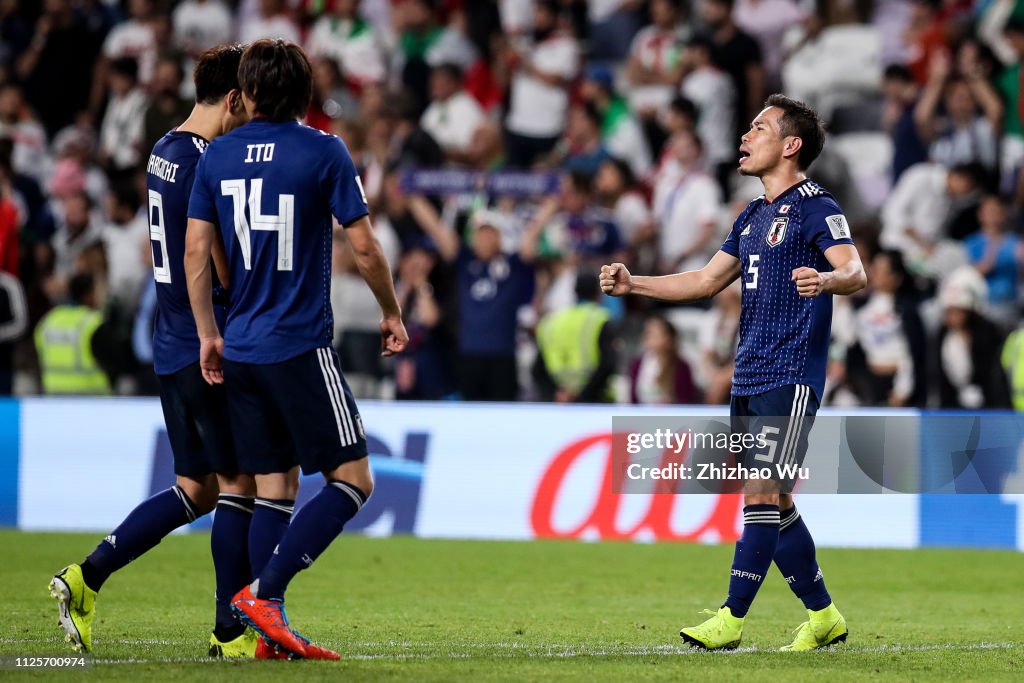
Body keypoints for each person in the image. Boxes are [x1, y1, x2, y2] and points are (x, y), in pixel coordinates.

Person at [600, 94, 866, 650]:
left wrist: (826, 282)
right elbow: (702, 281)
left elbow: (854, 270)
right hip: (749, 376)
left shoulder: (818, 205)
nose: (745, 137)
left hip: (791, 376)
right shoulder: (751, 215)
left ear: (790, 145)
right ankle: (824, 618)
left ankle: (731, 619)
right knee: (778, 499)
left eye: (759, 128)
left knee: (762, 492)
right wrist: (636, 285)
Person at [184, 39, 408, 660]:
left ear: (247, 93)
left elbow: (197, 254)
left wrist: (209, 332)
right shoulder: (324, 150)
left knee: (274, 488)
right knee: (354, 480)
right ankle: (266, 595)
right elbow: (363, 246)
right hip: (299, 345)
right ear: (305, 94)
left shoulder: (217, 156)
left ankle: (267, 637)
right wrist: (391, 310)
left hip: (243, 349)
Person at [47, 45, 262, 658]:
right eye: (247, 98)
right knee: (240, 483)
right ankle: (230, 633)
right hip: (204, 338)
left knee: (196, 488)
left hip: (170, 341)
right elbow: (208, 251)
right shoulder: (210, 159)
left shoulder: (164, 149)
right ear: (232, 98)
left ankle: (87, 576)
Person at [534, 272, 617, 404]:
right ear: (599, 294)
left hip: (559, 403)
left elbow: (537, 369)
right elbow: (608, 364)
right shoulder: (600, 319)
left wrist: (557, 394)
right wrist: (581, 396)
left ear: (574, 291)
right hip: (595, 402)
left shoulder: (550, 322)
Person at [628, 314, 697, 404]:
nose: (648, 338)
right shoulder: (637, 364)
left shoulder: (681, 367)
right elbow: (633, 400)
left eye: (654, 334)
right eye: (647, 333)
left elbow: (685, 400)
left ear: (668, 339)